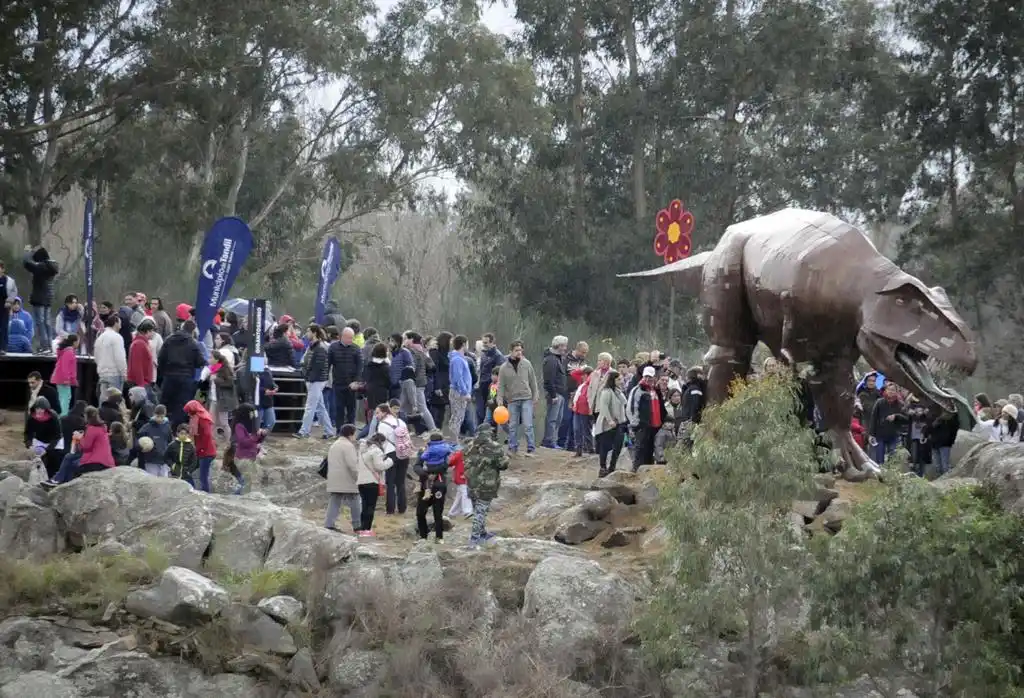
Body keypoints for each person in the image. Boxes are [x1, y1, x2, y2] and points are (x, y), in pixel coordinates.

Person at [42, 406, 114, 488]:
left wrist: (79, 437)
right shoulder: (101, 428)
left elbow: (86, 447)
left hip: (96, 462)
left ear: (86, 416)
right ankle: (57, 480)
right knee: (69, 457)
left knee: (73, 464)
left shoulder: (92, 429)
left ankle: (60, 483)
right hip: (103, 460)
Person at [464, 428, 509, 546]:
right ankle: (474, 539)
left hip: (471, 483)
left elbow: (465, 461)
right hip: (487, 485)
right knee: (481, 511)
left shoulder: (469, 445)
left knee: (477, 509)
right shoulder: (495, 446)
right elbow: (503, 465)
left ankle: (482, 533)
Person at [157, 320, 206, 427]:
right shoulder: (193, 343)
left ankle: (163, 426)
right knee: (182, 406)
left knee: (166, 403)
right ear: (193, 331)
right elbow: (201, 362)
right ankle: (178, 429)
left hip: (169, 376)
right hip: (186, 378)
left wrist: (163, 373)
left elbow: (160, 358)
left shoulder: (169, 340)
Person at [496, 340, 540, 457]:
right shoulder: (504, 368)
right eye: (516, 350)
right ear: (510, 352)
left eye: (520, 350)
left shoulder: (527, 364)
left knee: (528, 424)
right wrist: (499, 400)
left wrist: (535, 395)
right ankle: (512, 447)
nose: (519, 352)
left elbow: (533, 381)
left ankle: (531, 448)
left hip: (526, 397)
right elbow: (500, 385)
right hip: (512, 399)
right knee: (512, 425)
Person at [295, 324, 334, 439]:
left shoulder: (320, 348)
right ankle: (329, 431)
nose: (306, 334)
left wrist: (308, 377)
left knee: (310, 406)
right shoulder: (313, 347)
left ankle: (304, 431)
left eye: (308, 332)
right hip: (314, 379)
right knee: (320, 407)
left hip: (316, 380)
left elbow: (318, 367)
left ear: (314, 333)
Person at [414, 432, 454, 543]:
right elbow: (416, 466)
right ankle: (423, 536)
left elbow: (445, 466)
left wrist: (433, 471)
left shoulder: (445, 453)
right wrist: (425, 474)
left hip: (439, 484)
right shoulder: (423, 451)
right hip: (424, 485)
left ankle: (439, 537)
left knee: (438, 512)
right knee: (420, 512)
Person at [377, 401, 413, 515]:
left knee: (390, 483)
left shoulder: (382, 425)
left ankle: (390, 509)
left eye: (378, 413)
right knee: (401, 482)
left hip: (391, 453)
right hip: (404, 453)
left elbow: (381, 441)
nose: (376, 416)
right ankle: (402, 508)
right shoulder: (401, 422)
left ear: (384, 413)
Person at [325, 424, 362, 533]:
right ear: (350, 434)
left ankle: (329, 524)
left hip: (334, 477)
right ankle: (357, 525)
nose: (356, 436)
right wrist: (358, 478)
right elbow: (352, 465)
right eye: (355, 433)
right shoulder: (348, 446)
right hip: (347, 479)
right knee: (355, 499)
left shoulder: (334, 444)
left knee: (335, 500)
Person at [22, 245, 58, 354]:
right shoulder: (52, 266)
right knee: (47, 322)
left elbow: (27, 263)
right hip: (48, 298)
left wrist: (28, 252)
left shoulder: (41, 267)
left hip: (40, 298)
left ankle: (44, 346)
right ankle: (49, 346)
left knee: (40, 322)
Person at [356, 433, 392, 536]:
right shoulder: (376, 451)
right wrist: (389, 461)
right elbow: (379, 466)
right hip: (372, 482)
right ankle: (367, 529)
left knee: (364, 505)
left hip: (361, 482)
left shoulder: (362, 450)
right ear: (381, 441)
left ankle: (361, 527)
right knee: (371, 506)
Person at [594, 370, 627, 477]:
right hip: (607, 424)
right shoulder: (606, 392)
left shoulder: (619, 392)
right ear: (613, 380)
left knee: (618, 445)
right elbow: (604, 407)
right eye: (618, 379)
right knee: (605, 446)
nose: (621, 381)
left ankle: (612, 466)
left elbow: (624, 404)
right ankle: (603, 467)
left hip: (620, 422)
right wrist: (609, 420)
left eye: (621, 379)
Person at [328, 327, 363, 427]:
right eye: (348, 338)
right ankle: (339, 430)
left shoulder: (356, 348)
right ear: (342, 337)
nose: (350, 340)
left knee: (351, 409)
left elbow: (360, 366)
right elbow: (328, 364)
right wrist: (326, 378)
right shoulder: (333, 348)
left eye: (352, 338)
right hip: (338, 383)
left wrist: (357, 381)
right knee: (339, 409)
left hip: (352, 384)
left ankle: (351, 431)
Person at [24, 397, 64, 479]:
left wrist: (47, 449)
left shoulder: (54, 417)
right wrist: (29, 444)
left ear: (46, 409)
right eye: (37, 408)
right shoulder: (31, 417)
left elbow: (57, 435)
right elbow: (28, 433)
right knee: (37, 459)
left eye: (42, 409)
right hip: (40, 440)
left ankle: (54, 477)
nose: (39, 411)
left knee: (54, 458)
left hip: (54, 440)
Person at [541, 335, 568, 449]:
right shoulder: (551, 360)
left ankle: (551, 440)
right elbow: (548, 380)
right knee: (552, 418)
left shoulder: (558, 359)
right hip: (555, 394)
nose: (565, 348)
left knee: (558, 419)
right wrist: (553, 395)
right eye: (564, 346)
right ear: (559, 346)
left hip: (560, 393)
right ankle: (548, 441)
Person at [184, 400, 217, 492]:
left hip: (206, 452)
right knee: (192, 472)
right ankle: (195, 489)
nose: (188, 415)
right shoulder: (200, 417)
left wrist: (199, 448)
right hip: (203, 451)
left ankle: (205, 494)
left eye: (189, 412)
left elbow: (206, 435)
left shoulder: (201, 420)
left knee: (203, 476)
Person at [94, 314, 127, 401]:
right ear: (116, 323)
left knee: (103, 399)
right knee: (114, 401)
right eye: (120, 323)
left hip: (102, 373)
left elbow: (96, 355)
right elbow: (120, 358)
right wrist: (124, 372)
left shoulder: (100, 337)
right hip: (114, 373)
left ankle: (101, 414)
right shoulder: (117, 337)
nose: (120, 326)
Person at [447, 335, 474, 439]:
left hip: (459, 391)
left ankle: (452, 439)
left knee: (457, 416)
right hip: (458, 392)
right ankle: (453, 441)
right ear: (463, 344)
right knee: (458, 417)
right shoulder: (457, 359)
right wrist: (465, 392)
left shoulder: (458, 358)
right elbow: (458, 377)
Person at [137, 405, 172, 476]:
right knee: (152, 482)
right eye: (157, 416)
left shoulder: (167, 427)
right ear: (154, 414)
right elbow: (138, 443)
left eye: (162, 417)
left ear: (165, 415)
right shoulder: (146, 428)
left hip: (163, 461)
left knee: (164, 483)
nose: (159, 419)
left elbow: (169, 441)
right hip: (150, 460)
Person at [51, 334, 79, 414]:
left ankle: (62, 416)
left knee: (63, 398)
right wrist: (67, 379)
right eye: (78, 341)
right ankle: (63, 417)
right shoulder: (69, 352)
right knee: (65, 398)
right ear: (74, 342)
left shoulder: (66, 351)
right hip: (64, 380)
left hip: (61, 378)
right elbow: (65, 366)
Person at [447, 442, 473, 518]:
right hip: (461, 477)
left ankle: (452, 512)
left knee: (460, 495)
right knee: (465, 492)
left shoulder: (474, 455)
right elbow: (451, 462)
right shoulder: (459, 454)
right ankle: (467, 511)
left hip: (468, 476)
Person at [0, 260, 17, 356]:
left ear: (3, 269)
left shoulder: (9, 281)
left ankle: (3, 348)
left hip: (4, 306)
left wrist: (9, 301)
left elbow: (14, 292)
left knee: (4, 327)